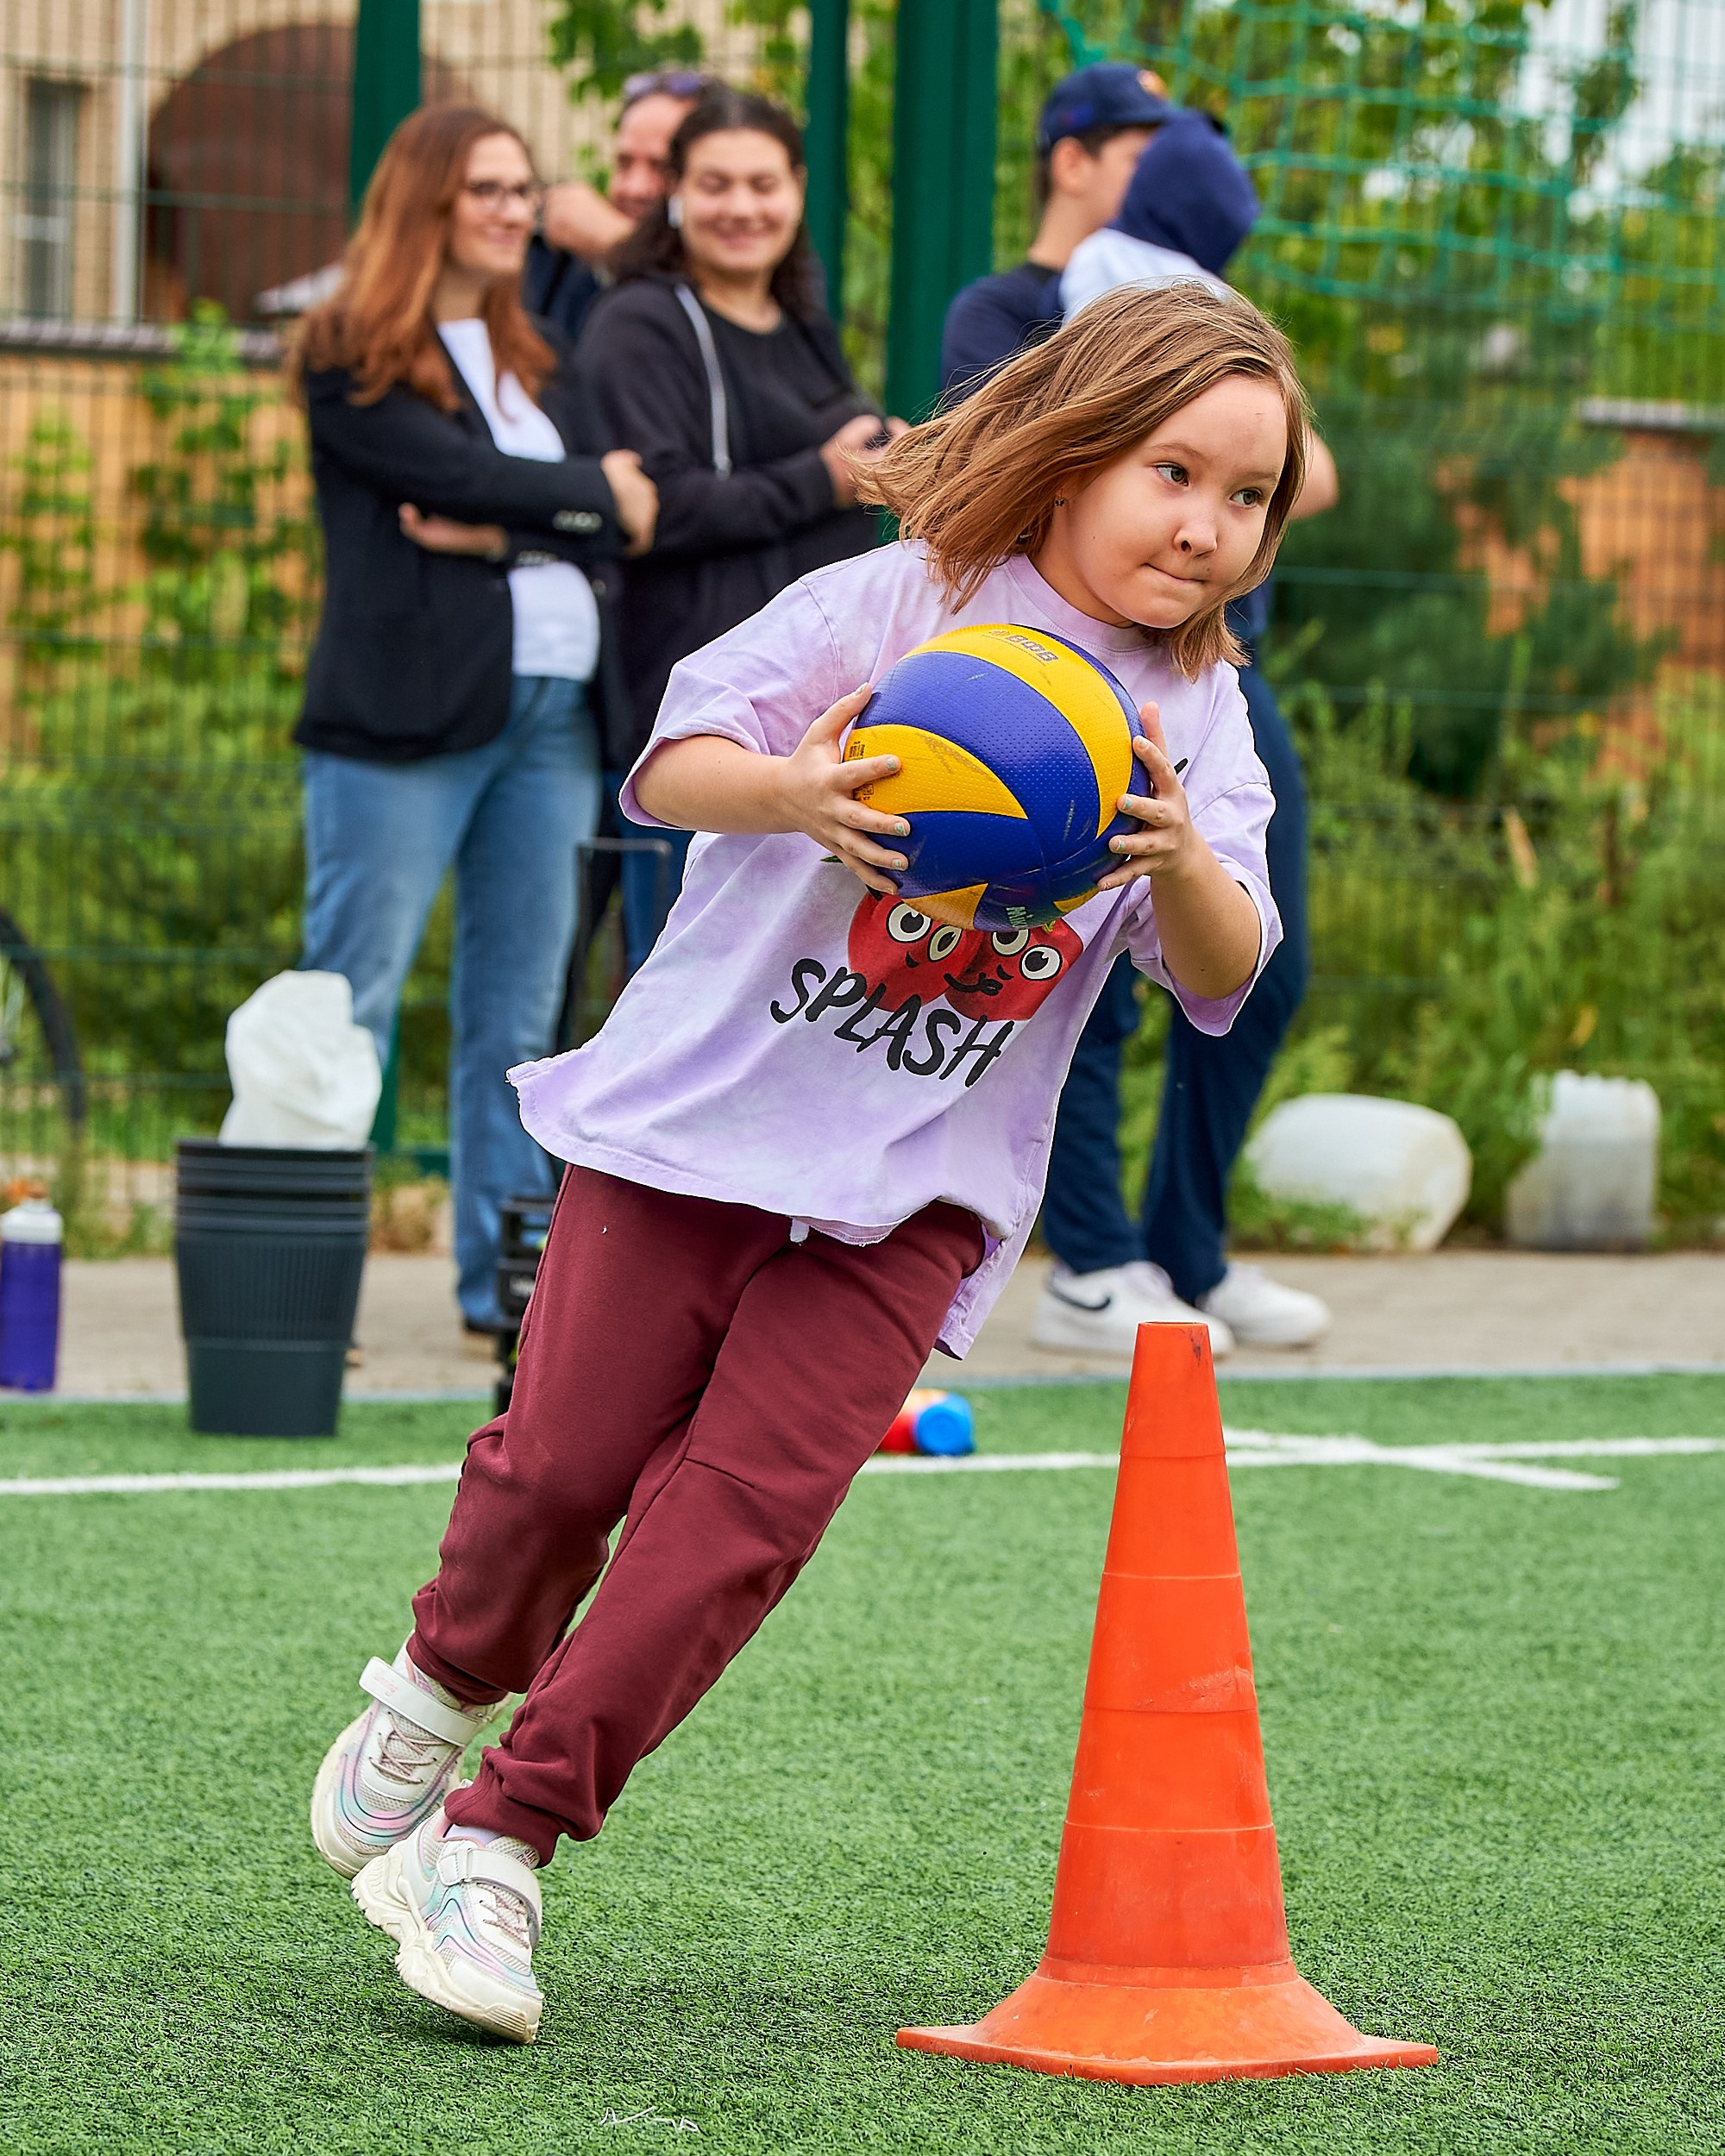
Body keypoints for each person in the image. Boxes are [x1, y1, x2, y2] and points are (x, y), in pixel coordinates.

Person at [308, 281, 1308, 2043]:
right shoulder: (898, 598)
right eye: (1176, 472)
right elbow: (673, 761)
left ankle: (507, 1830)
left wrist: (1171, 858)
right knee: (565, 1465)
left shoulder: (1198, 718)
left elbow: (1224, 969)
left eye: (1248, 498)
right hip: (699, 1123)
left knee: (743, 1517)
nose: (1207, 527)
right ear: (1076, 445)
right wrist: (798, 790)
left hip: (919, 1186)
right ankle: (442, 1673)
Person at [944, 98, 1339, 1357]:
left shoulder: (1207, 327)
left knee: (1258, 957)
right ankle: (1092, 1264)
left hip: (1212, 669)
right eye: (1148, 141)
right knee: (1080, 964)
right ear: (1081, 159)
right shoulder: (1012, 308)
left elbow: (1307, 469)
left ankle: (1188, 1252)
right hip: (1049, 679)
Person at [291, 103, 658, 1336]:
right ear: (428, 202)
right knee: (350, 997)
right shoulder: (350, 349)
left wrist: (513, 525)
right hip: (403, 722)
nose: (513, 210)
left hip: (554, 718)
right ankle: (293, 1287)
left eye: (521, 188)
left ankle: (504, 1303)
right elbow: (456, 476)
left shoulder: (543, 353)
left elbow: (629, 508)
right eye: (486, 190)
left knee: (517, 1017)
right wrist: (561, 503)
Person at [575, 85, 903, 972]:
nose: (741, 208)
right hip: (696, 723)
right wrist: (822, 476)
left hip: (816, 715)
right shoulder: (636, 324)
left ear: (797, 190)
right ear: (675, 194)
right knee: (687, 984)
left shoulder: (800, 322)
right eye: (714, 184)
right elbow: (658, 507)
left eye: (763, 184)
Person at [939, 61, 1171, 402]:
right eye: (1142, 162)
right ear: (1072, 165)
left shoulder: (1171, 296)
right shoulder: (996, 314)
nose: (1165, 181)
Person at [521, 68, 709, 341]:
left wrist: (621, 246)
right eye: (624, 163)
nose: (634, 188)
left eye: (661, 167)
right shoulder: (569, 259)